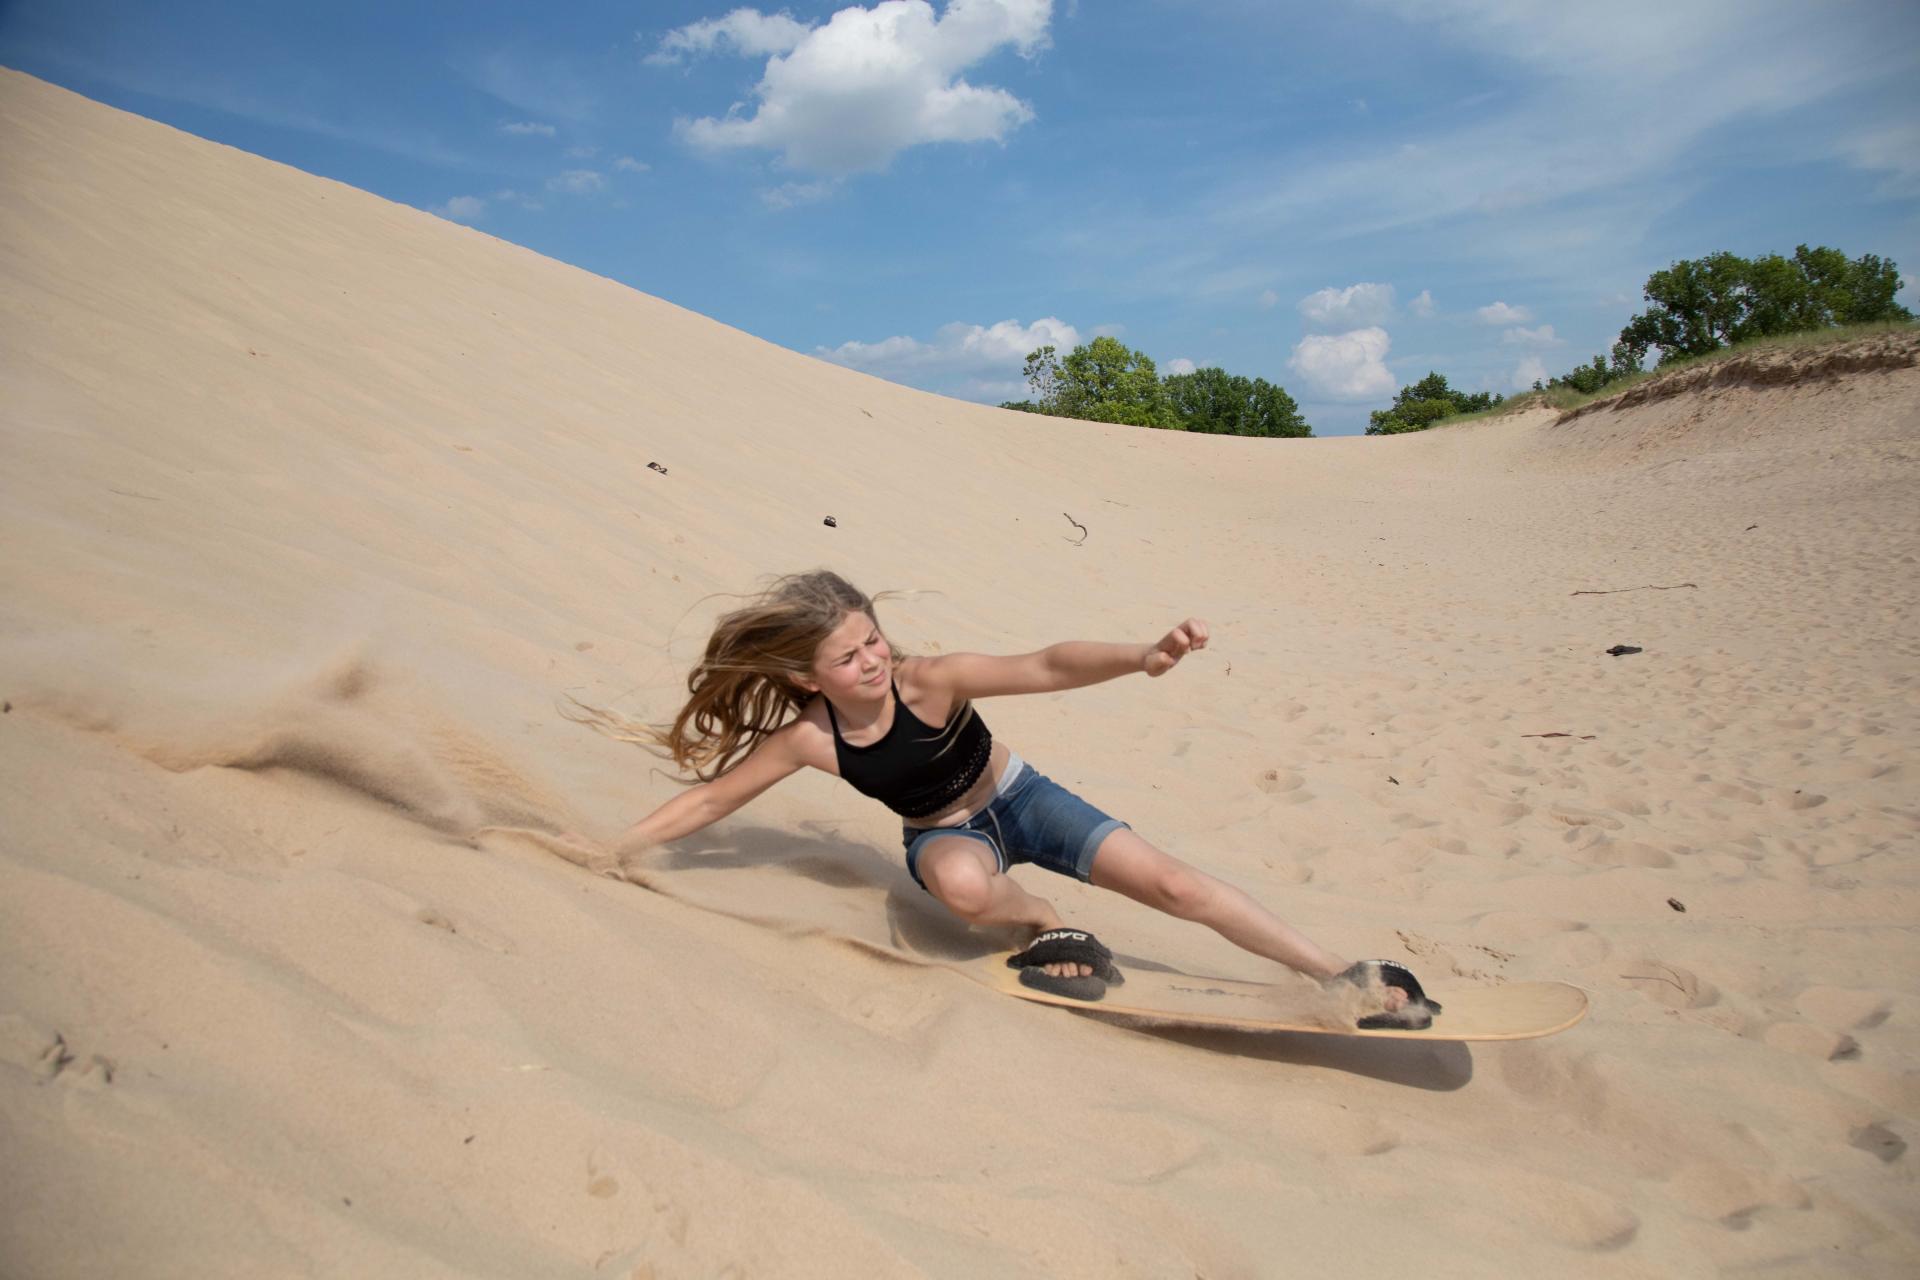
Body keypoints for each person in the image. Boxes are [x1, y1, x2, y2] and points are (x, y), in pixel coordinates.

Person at [566, 570, 1436, 1027]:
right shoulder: (809, 739)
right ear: (804, 675)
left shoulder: (932, 679)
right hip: (949, 835)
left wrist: (1143, 654)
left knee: (1175, 887)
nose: (871, 662)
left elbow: (1048, 664)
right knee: (963, 889)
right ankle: (1045, 922)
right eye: (847, 658)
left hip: (1024, 800)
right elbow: (711, 805)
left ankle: (1339, 973)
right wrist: (615, 849)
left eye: (873, 641)